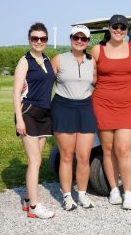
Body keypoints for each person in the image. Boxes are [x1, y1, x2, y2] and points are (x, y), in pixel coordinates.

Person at [90, 15, 131, 210]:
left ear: (127, 29)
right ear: (109, 28)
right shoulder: (97, 50)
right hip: (103, 104)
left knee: (124, 149)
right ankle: (113, 189)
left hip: (128, 105)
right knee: (108, 149)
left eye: (122, 27)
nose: (119, 30)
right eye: (115, 26)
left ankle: (128, 192)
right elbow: (91, 78)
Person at [50, 25, 97, 211]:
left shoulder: (92, 61)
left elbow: (99, 82)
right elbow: (44, 82)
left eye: (83, 39)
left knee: (84, 156)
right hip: (63, 107)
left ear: (87, 42)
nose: (79, 41)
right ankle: (67, 196)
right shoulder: (59, 59)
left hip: (85, 108)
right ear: (71, 39)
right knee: (67, 155)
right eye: (76, 38)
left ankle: (82, 195)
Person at [13, 22, 55, 218]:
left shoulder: (47, 59)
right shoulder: (25, 61)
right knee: (35, 160)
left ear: (46, 40)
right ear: (29, 40)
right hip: (28, 112)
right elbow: (15, 93)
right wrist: (19, 120)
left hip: (45, 114)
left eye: (42, 38)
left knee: (36, 160)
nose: (39, 41)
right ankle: (35, 208)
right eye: (35, 38)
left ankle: (29, 199)